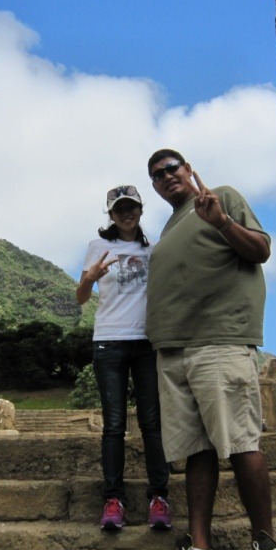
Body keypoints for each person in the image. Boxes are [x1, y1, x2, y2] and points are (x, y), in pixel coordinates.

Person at [144, 149, 276, 550]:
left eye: (172, 167)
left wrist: (222, 222)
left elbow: (261, 250)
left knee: (240, 441)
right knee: (196, 450)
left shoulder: (221, 197)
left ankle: (266, 544)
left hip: (219, 339)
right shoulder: (169, 227)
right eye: (157, 175)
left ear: (189, 170)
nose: (166, 176)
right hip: (173, 349)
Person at [76, 185, 171, 532]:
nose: (126, 214)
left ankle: (159, 497)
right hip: (109, 341)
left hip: (146, 341)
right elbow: (81, 297)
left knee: (152, 422)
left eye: (131, 207)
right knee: (114, 423)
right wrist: (89, 279)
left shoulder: (153, 250)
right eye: (119, 209)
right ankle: (113, 499)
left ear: (140, 210)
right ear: (111, 215)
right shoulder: (98, 247)